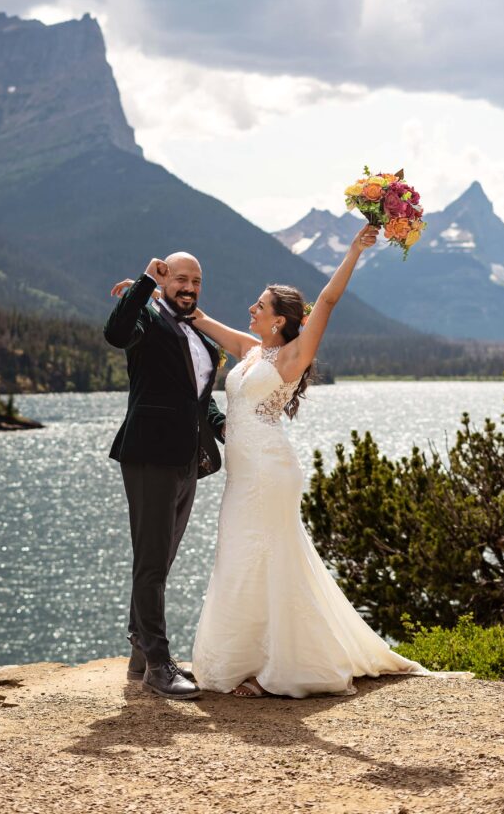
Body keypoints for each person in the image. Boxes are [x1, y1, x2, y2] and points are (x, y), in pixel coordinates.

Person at [187, 220, 436, 697]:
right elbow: (198, 318)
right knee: (240, 556)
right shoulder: (251, 350)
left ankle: (273, 669)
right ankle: (250, 659)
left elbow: (326, 302)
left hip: (270, 471)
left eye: (259, 306)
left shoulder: (291, 357)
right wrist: (150, 290)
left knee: (266, 557)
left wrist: (353, 251)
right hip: (244, 475)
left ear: (279, 318)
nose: (251, 309)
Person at [104, 252, 225, 700]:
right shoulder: (146, 318)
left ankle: (141, 648)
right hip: (149, 454)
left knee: (163, 559)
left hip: (188, 459)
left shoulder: (195, 330)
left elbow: (197, 397)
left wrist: (221, 425)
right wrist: (142, 284)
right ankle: (158, 664)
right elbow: (115, 333)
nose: (188, 286)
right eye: (179, 278)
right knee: (151, 562)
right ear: (163, 278)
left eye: (196, 279)